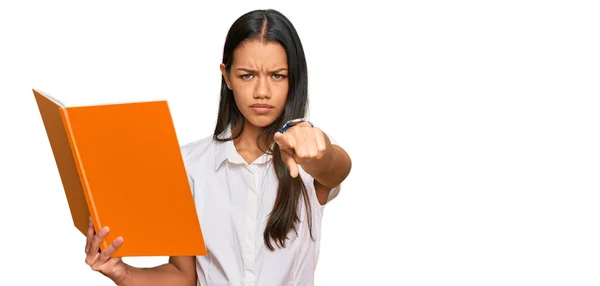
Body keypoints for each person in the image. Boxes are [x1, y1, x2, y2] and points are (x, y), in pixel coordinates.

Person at [83, 9, 352, 286]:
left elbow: (337, 168)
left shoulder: (309, 159)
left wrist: (319, 149)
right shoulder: (190, 165)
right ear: (227, 76)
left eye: (277, 76)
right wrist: (122, 272)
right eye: (247, 75)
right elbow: (182, 277)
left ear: (294, 78)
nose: (262, 91)